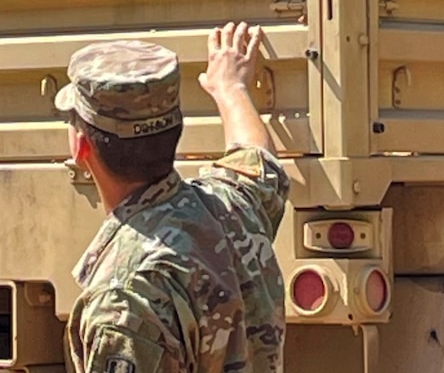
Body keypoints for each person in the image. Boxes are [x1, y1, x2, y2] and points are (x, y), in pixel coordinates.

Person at [56, 23, 289, 373]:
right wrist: (231, 88)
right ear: (175, 129)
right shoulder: (230, 209)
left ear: (80, 146)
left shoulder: (123, 302)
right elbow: (258, 162)